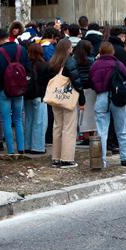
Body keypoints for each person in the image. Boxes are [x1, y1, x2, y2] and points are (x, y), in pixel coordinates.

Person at [89, 41, 126, 167]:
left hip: (101, 97)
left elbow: (91, 82)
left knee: (101, 130)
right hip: (117, 97)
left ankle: (100, 160)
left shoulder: (95, 65)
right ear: (112, 52)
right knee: (122, 128)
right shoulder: (118, 64)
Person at [0, 22, 29, 157]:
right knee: (18, 119)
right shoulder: (22, 50)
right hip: (19, 89)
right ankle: (22, 148)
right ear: (8, 36)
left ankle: (11, 151)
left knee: (6, 119)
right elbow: (28, 69)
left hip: (3, 89)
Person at [46, 38, 78, 167]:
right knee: (69, 128)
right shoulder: (70, 62)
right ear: (67, 48)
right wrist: (81, 100)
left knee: (57, 126)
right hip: (68, 97)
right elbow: (76, 80)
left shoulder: (53, 62)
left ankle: (56, 157)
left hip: (55, 97)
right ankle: (67, 158)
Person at [23, 40, 51, 154]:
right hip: (40, 96)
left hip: (27, 95)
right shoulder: (44, 65)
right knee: (39, 121)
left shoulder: (25, 64)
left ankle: (27, 145)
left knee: (28, 120)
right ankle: (38, 146)